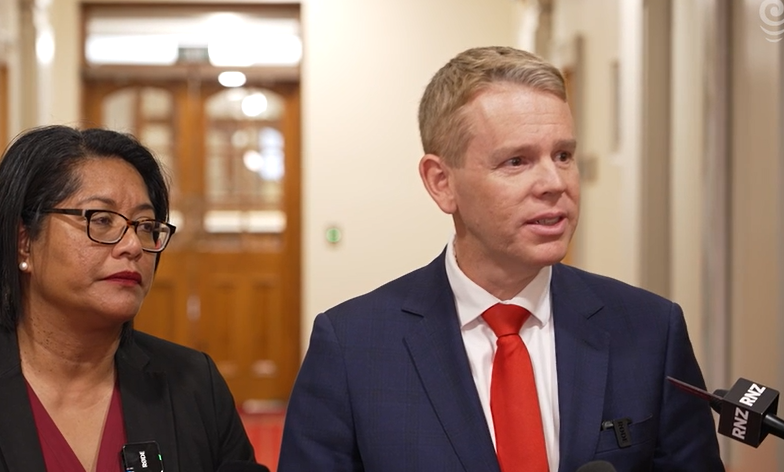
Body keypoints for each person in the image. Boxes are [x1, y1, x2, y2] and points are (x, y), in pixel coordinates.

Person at [277, 47, 724, 472]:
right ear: (441, 183)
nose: (554, 182)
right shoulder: (353, 347)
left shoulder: (650, 330)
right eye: (516, 161)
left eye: (563, 155)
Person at [0, 126, 256, 471]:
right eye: (101, 220)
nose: (133, 245)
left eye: (146, 225)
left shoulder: (193, 384)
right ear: (24, 243)